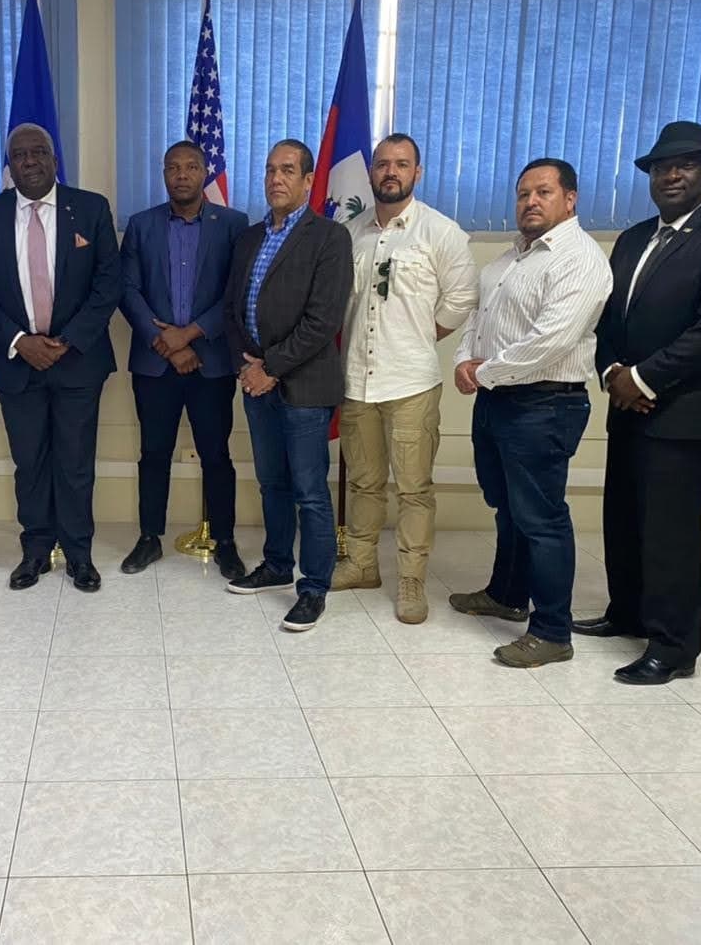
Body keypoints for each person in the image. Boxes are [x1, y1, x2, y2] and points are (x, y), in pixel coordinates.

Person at [573, 122, 701, 684]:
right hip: (627, 405)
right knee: (624, 519)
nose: (671, 175)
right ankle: (627, 612)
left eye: (684, 165)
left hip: (684, 412)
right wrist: (613, 372)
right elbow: (606, 321)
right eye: (661, 167)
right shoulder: (633, 238)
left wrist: (645, 378)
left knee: (670, 532)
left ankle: (675, 645)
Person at [449, 158, 612, 667]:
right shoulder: (508, 260)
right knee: (508, 506)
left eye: (543, 192)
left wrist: (483, 372)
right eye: (523, 194)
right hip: (499, 400)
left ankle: (552, 631)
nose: (530, 202)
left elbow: (550, 342)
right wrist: (462, 361)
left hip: (545, 403)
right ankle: (507, 595)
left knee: (542, 519)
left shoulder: (579, 259)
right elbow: (476, 319)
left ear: (570, 199)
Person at [0, 123, 120, 593]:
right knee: (30, 462)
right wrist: (19, 340)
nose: (29, 161)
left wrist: (67, 340)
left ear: (55, 159)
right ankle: (35, 552)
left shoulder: (90, 208)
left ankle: (79, 555)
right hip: (18, 362)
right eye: (19, 154)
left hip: (77, 361)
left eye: (38, 152)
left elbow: (108, 283)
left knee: (75, 463)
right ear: (8, 164)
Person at [334, 133, 478, 623]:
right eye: (381, 164)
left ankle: (412, 582)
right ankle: (361, 564)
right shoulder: (349, 232)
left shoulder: (441, 232)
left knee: (413, 488)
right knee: (364, 483)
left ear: (417, 172)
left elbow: (460, 300)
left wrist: (418, 337)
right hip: (356, 381)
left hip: (412, 383)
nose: (389, 172)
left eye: (401, 164)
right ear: (371, 173)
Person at [223, 139, 352, 631]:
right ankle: (276, 564)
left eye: (287, 170)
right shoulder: (250, 238)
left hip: (303, 386)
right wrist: (245, 365)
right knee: (271, 482)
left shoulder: (329, 238)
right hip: (256, 382)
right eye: (270, 170)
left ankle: (313, 586)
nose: (276, 178)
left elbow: (323, 321)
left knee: (309, 491)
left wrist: (270, 367)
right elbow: (232, 308)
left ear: (306, 180)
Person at [117, 140, 249, 580]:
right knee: (153, 453)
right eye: (173, 167)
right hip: (155, 365)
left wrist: (189, 336)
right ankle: (149, 538)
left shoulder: (232, 224)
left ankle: (225, 541)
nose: (181, 175)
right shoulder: (140, 225)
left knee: (216, 455)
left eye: (191, 166)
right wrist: (165, 341)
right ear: (163, 173)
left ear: (205, 171)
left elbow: (235, 293)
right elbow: (127, 290)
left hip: (210, 363)